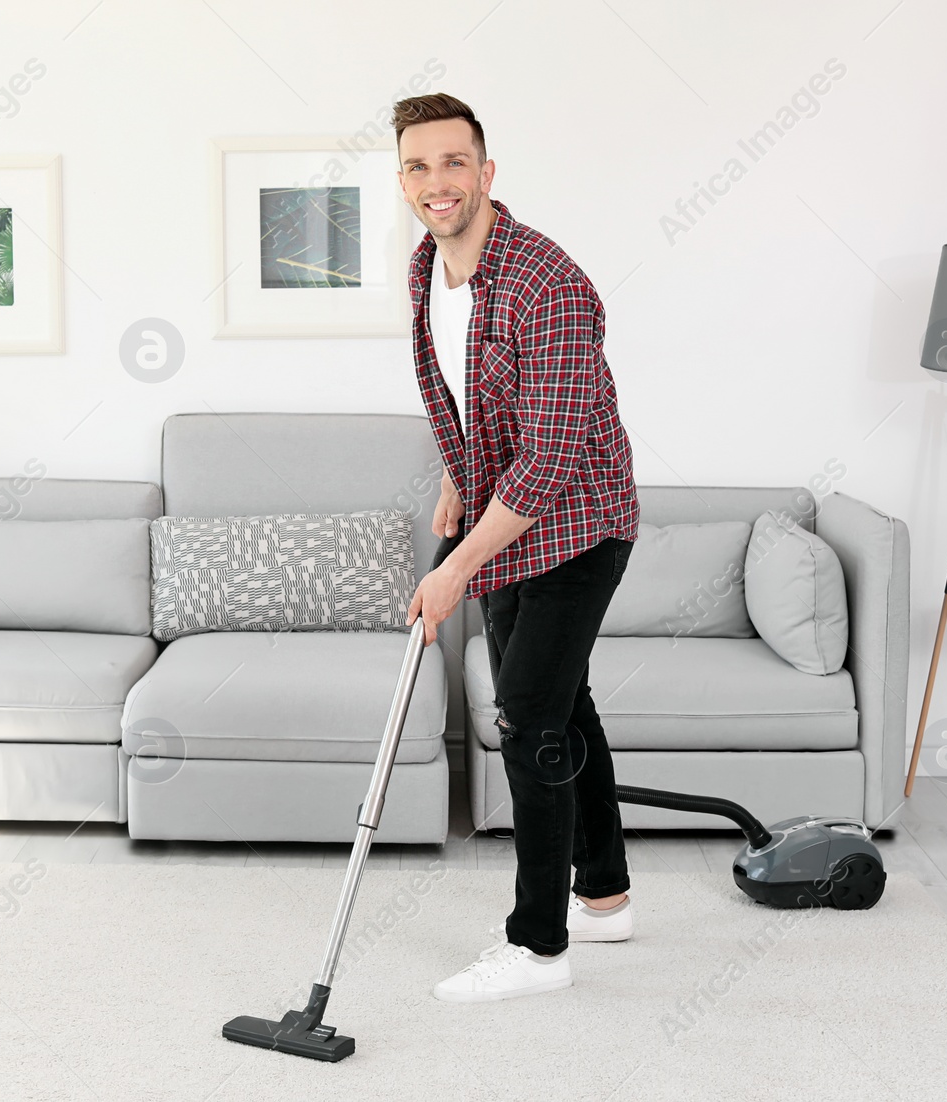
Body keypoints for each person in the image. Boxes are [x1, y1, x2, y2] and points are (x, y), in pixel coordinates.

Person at [394, 92, 641, 1002]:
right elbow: (469, 398)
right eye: (417, 167)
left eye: (453, 163)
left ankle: (539, 948)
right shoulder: (427, 269)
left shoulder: (550, 284)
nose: (437, 183)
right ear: (404, 183)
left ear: (486, 172)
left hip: (579, 525)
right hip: (503, 521)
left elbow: (550, 458)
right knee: (563, 710)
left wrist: (455, 568)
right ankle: (606, 898)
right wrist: (459, 479)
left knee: (527, 723)